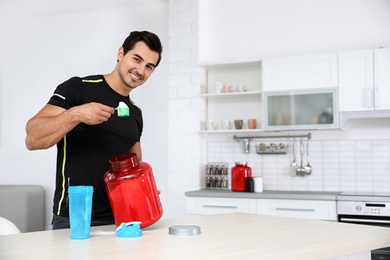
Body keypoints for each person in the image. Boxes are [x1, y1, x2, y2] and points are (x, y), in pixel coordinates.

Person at [25, 31, 163, 229]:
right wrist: (76, 114)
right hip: (74, 218)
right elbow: (32, 138)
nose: (140, 70)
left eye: (149, 66)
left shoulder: (135, 113)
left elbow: (133, 167)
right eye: (137, 59)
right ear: (121, 53)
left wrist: (143, 191)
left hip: (120, 219)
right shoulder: (78, 88)